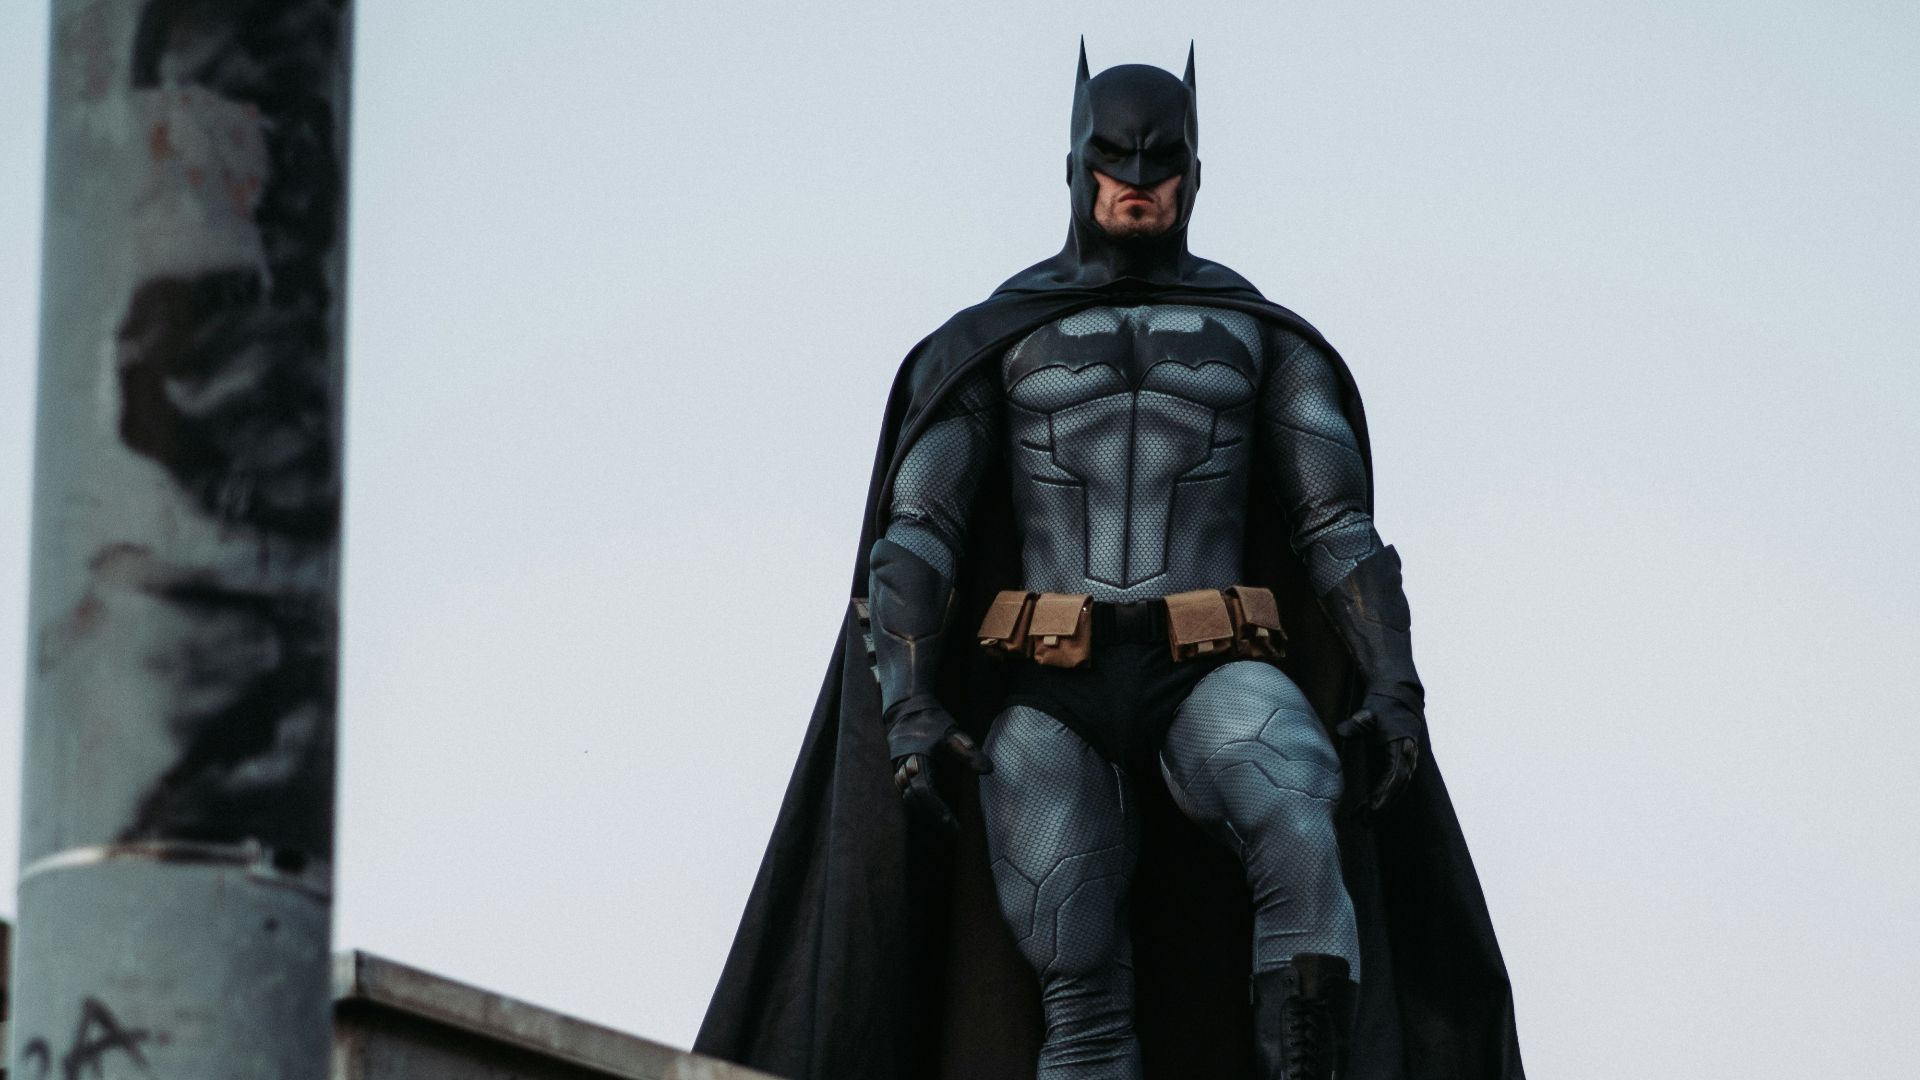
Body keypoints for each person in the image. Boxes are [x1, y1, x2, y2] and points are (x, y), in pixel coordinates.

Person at [697, 45, 1522, 1080]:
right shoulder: (996, 340)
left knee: (1298, 809)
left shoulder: (1260, 337)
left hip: (1211, 667)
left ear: (1196, 172)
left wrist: (1395, 678)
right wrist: (908, 696)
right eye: (1116, 162)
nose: (1137, 184)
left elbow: (1334, 525)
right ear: (1078, 166)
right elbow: (919, 532)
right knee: (1071, 946)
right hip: (1050, 685)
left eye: (1160, 164)